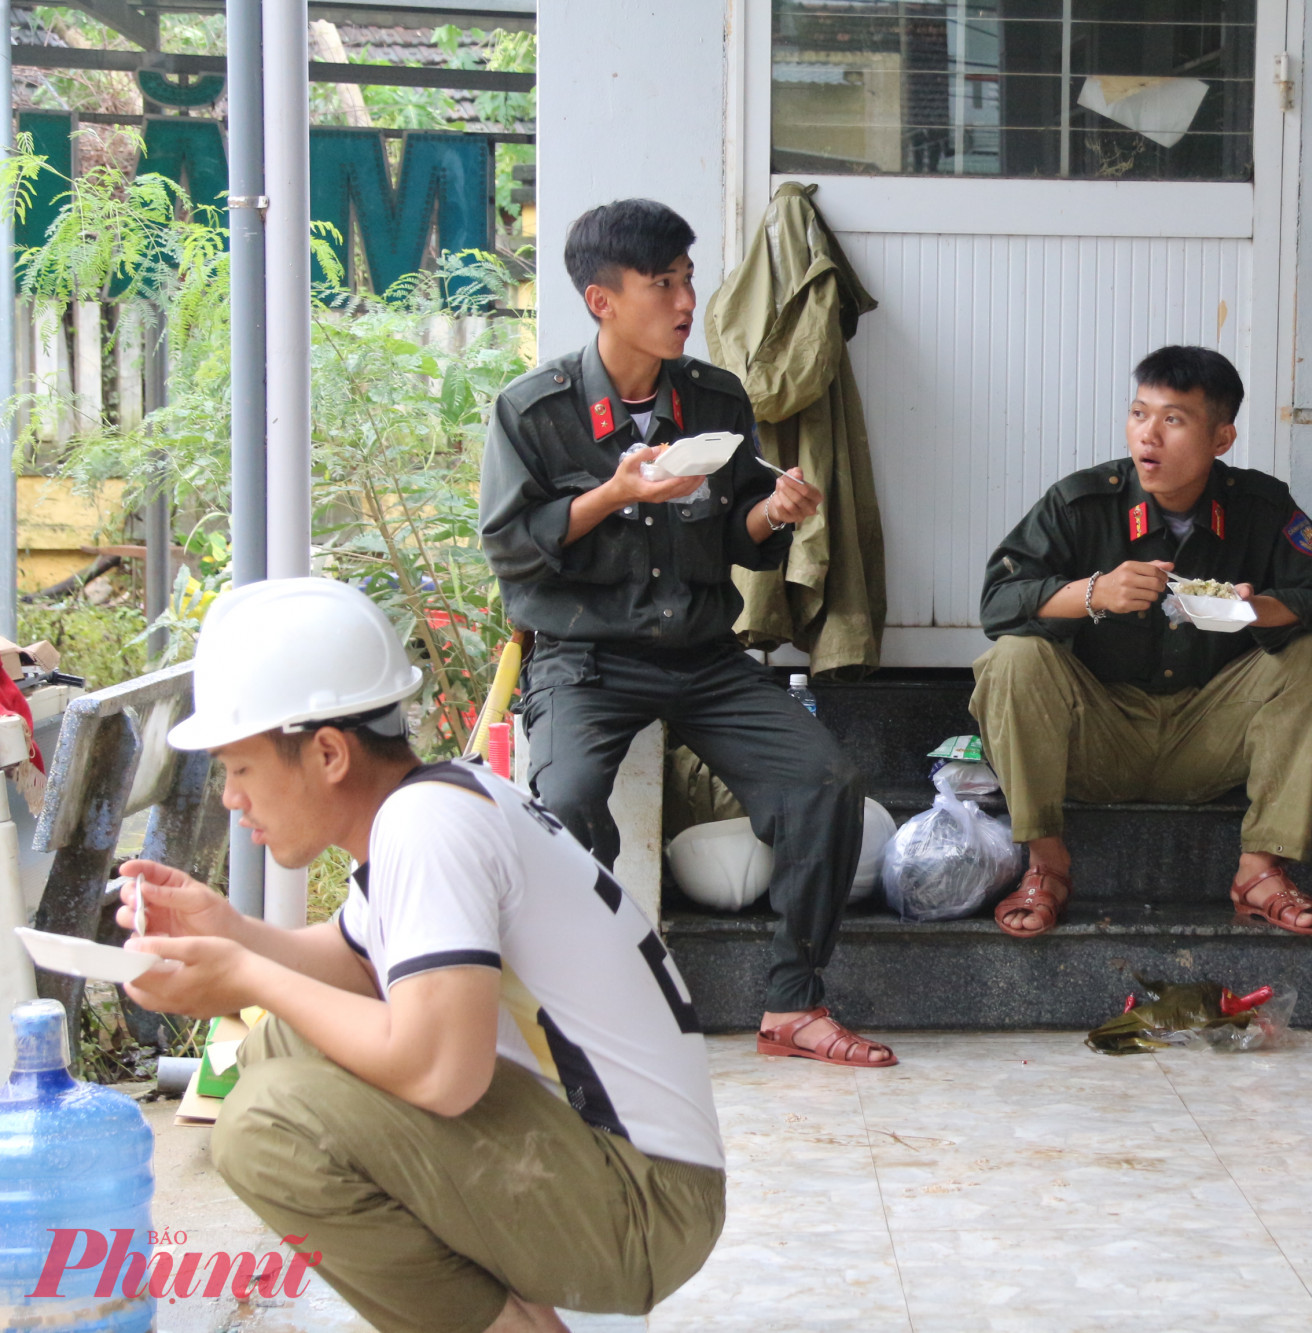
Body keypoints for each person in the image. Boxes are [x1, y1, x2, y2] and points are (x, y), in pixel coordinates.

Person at [118, 578, 724, 1333]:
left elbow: (441, 1071)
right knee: (282, 1041)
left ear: (330, 752)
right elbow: (355, 963)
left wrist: (243, 972)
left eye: (240, 770)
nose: (232, 799)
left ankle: (510, 1325)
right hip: (620, 1169)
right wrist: (230, 932)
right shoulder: (431, 804)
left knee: (264, 1126)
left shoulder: (425, 829)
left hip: (645, 1204)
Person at [478, 198, 891, 1067]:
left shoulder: (713, 397)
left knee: (827, 779)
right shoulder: (535, 412)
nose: (684, 299)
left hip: (704, 655)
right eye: (661, 283)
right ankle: (581, 1005)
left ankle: (793, 1004)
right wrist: (613, 494)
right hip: (584, 659)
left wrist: (773, 514)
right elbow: (512, 549)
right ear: (602, 300)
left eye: (687, 278)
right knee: (566, 802)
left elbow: (733, 527)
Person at [973, 345, 1312, 938]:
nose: (1148, 435)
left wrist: (1255, 609)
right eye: (1139, 413)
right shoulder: (1083, 503)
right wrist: (1091, 593)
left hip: (1210, 735)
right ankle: (1046, 867)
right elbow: (997, 604)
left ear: (1222, 438)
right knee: (1014, 657)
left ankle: (1259, 871)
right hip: (1098, 736)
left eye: (1173, 419)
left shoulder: (1260, 506)